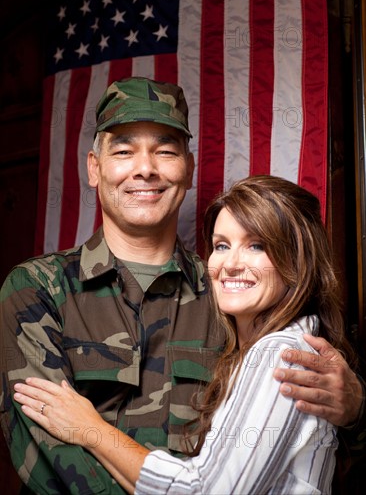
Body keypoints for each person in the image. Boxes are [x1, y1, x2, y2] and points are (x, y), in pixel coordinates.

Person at [0, 77, 363, 494]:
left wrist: (355, 410)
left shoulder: (236, 297)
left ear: (188, 169)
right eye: (123, 150)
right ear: (94, 168)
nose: (145, 168)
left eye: (166, 150)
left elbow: (297, 438)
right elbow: (46, 450)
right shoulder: (37, 289)